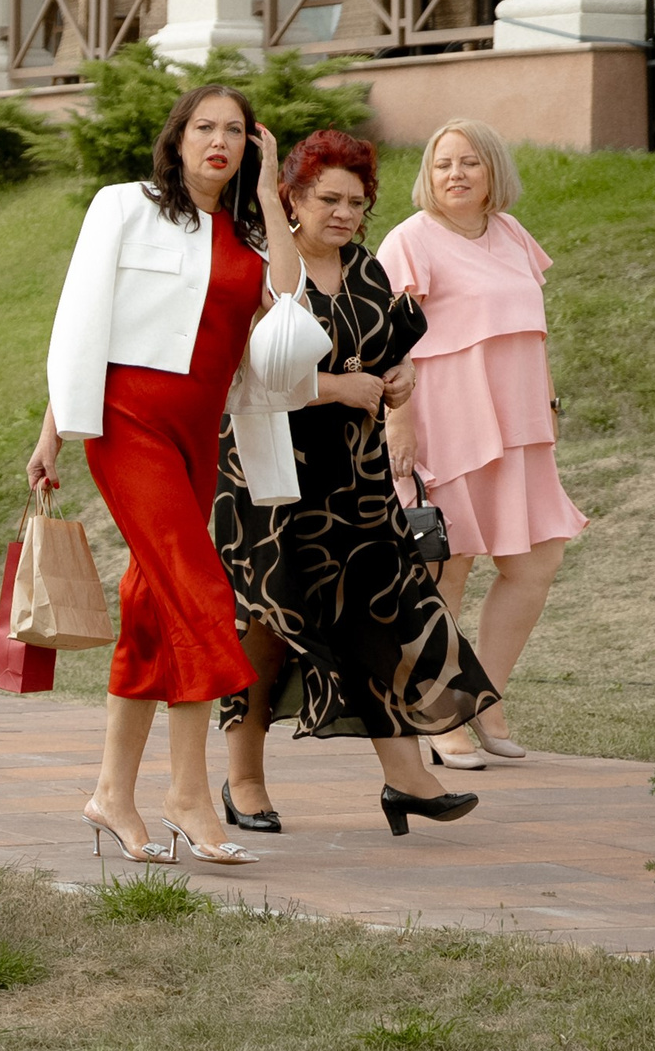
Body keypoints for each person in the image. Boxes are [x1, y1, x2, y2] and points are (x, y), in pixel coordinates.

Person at [27, 86, 299, 868]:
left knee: (152, 602)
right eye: (205, 128)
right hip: (128, 418)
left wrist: (274, 185)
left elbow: (288, 296)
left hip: (200, 431)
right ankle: (190, 790)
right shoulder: (124, 205)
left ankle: (113, 793)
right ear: (178, 138)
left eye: (237, 133)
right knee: (201, 590)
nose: (220, 141)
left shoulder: (249, 231)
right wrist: (54, 430)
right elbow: (83, 318)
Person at [212, 130, 497, 838]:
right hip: (273, 479)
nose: (344, 213)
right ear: (294, 200)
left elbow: (391, 361)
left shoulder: (368, 271)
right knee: (270, 628)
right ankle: (243, 779)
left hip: (357, 483)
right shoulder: (265, 268)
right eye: (328, 198)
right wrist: (341, 386)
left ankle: (405, 779)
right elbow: (252, 375)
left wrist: (398, 381)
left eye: (357, 202)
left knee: (378, 620)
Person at [380, 118, 586, 767]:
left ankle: (485, 695)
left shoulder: (513, 235)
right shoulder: (411, 239)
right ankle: (442, 714)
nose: (456, 174)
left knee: (535, 563)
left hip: (521, 429)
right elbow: (386, 340)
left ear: (493, 169)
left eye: (470, 162)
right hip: (446, 421)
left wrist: (547, 407)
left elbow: (532, 329)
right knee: (449, 566)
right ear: (427, 175)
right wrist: (398, 421)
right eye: (443, 163)